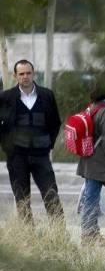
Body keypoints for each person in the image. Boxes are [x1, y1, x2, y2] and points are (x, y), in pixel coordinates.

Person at [0, 59, 63, 224]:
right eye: (21, 74)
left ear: (33, 73)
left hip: (41, 155)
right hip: (16, 157)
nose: (25, 77)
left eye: (28, 73)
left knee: (51, 194)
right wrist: (8, 148)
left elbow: (55, 123)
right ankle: (28, 237)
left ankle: (59, 236)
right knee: (21, 198)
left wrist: (48, 144)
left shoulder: (47, 95)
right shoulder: (5, 97)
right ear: (15, 76)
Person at [76, 79, 105, 245]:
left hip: (88, 156)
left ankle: (91, 232)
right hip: (98, 159)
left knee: (90, 196)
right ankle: (89, 234)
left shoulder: (92, 107)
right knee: (92, 197)